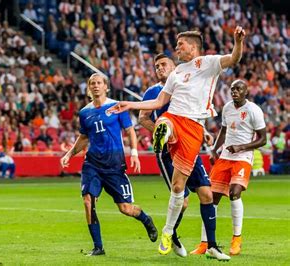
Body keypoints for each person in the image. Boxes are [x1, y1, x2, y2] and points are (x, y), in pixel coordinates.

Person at [108, 26, 246, 260]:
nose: (176, 48)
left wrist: (238, 41)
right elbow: (160, 101)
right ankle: (165, 133)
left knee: (183, 189)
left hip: (193, 127)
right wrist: (130, 104)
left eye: (180, 45)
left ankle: (177, 234)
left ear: (192, 46)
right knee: (165, 120)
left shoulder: (208, 63)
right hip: (174, 118)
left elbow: (234, 58)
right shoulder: (177, 73)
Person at [61, 73, 158, 256]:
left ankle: (146, 220)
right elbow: (84, 137)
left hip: (114, 165)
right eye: (92, 83)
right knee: (88, 201)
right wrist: (69, 154)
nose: (96, 86)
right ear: (89, 88)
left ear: (106, 86)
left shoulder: (117, 107)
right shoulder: (84, 113)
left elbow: (130, 132)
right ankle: (98, 247)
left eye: (99, 83)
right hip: (93, 164)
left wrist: (134, 154)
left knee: (126, 209)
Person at [138, 53, 214, 257]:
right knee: (184, 199)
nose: (159, 68)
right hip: (167, 152)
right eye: (156, 66)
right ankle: (172, 234)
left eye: (163, 64)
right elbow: (142, 117)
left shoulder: (184, 87)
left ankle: (211, 245)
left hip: (189, 145)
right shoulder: (153, 92)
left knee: (207, 193)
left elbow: (192, 115)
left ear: (174, 68)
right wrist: (161, 132)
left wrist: (204, 132)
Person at [192, 80, 266, 256]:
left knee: (234, 192)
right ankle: (205, 243)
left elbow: (263, 139)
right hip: (225, 156)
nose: (235, 91)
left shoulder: (253, 110)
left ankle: (236, 239)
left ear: (246, 92)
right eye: (233, 89)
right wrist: (214, 150)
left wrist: (241, 147)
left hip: (243, 157)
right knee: (210, 197)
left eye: (239, 89)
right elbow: (223, 132)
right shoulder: (226, 108)